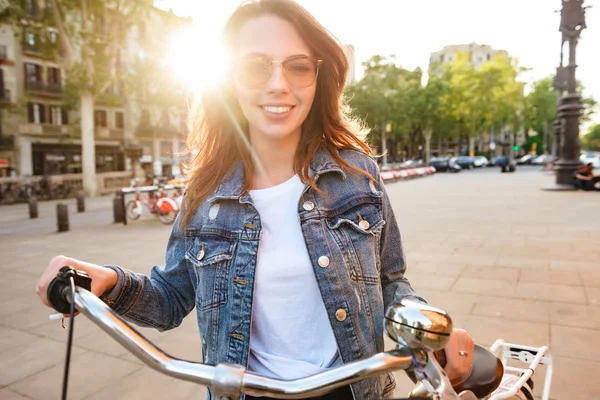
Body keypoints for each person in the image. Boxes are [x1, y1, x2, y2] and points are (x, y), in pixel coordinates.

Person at [35, 1, 474, 399]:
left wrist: (427, 324)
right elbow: (170, 299)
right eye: (255, 67)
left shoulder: (357, 174)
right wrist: (107, 281)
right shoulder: (204, 195)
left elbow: (391, 282)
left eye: (297, 66)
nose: (278, 85)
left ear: (317, 77)